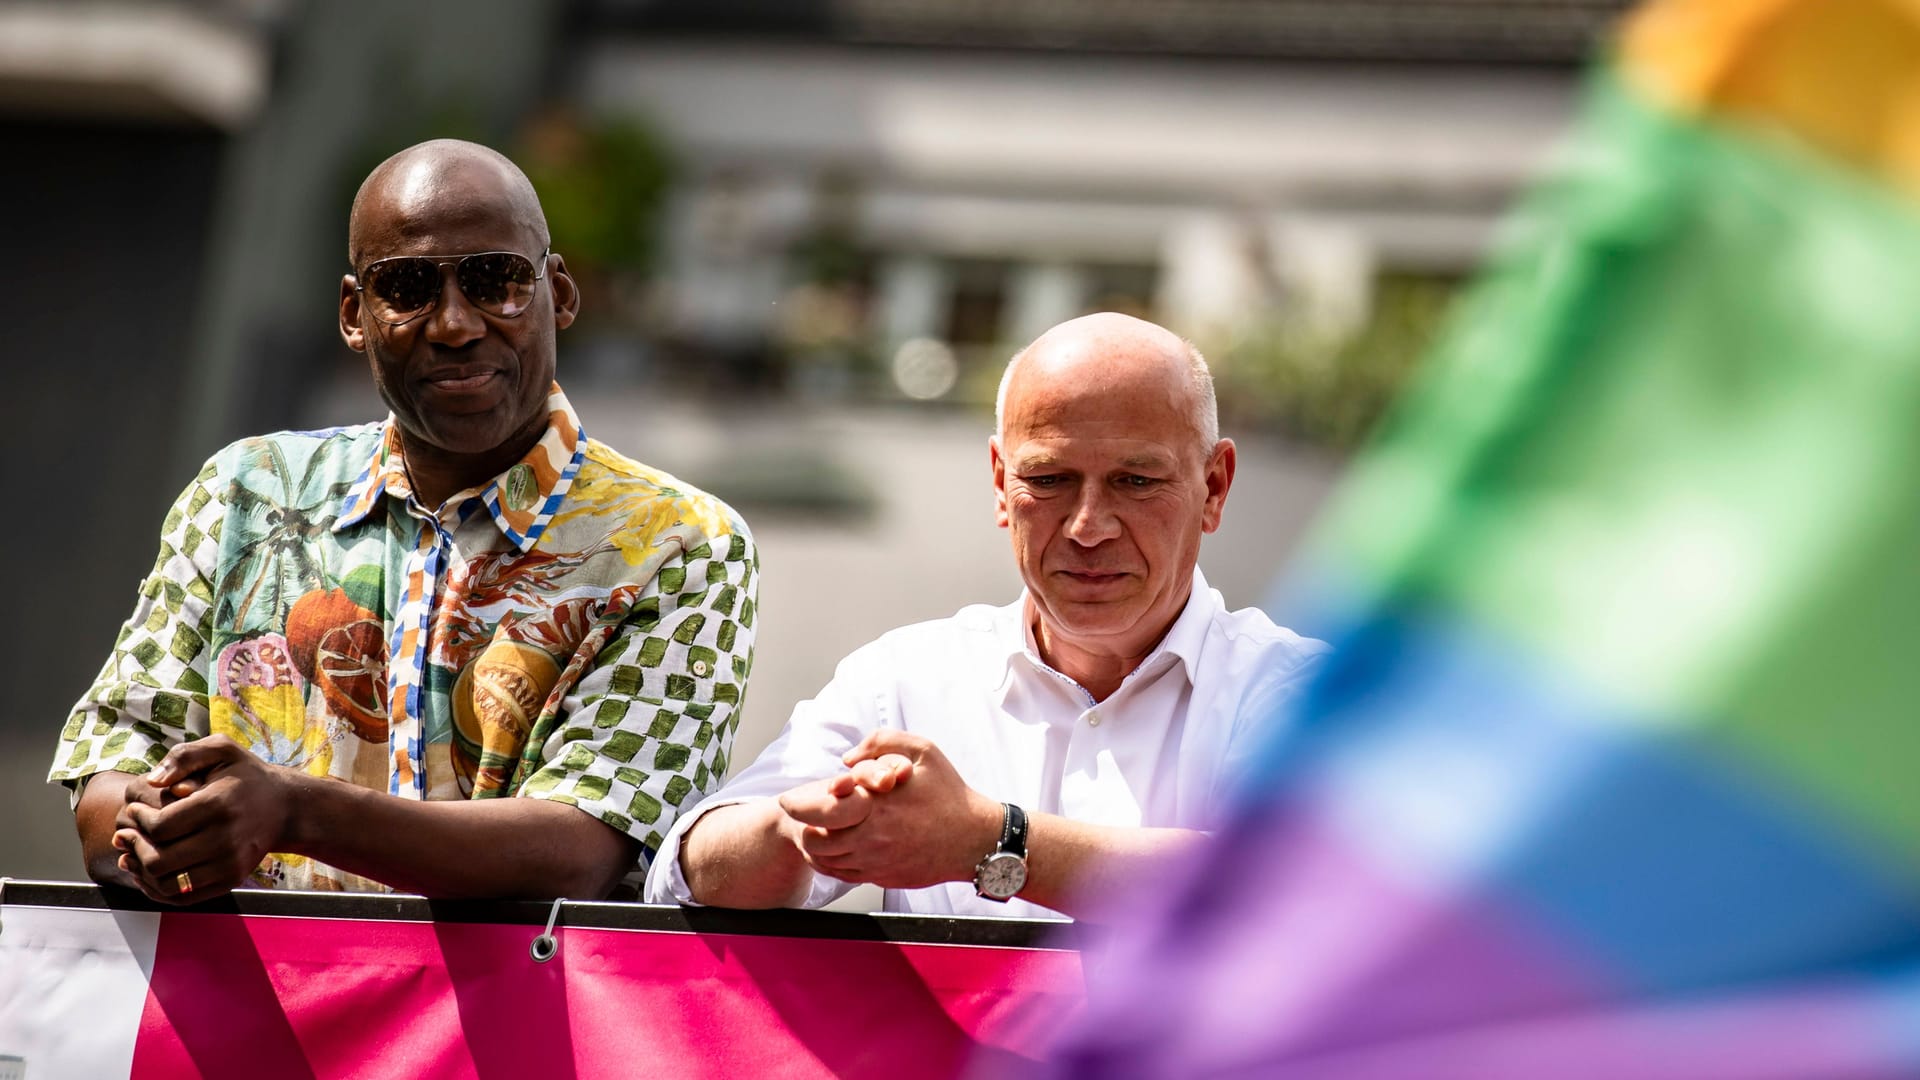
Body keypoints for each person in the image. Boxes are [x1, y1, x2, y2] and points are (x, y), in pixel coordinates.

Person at [49, 140, 757, 903]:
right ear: (355, 314)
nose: (455, 324)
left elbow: (584, 843)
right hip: (244, 1014)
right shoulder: (244, 495)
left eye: (496, 281)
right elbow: (111, 767)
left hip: (513, 1022)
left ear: (561, 293)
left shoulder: (677, 543)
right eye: (408, 287)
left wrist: (293, 811)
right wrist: (160, 835)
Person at [648, 312, 1326, 919]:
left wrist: (991, 841)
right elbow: (686, 874)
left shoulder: (1304, 694)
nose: (1089, 527)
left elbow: (1293, 899)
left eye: (1136, 481)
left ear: (1214, 486)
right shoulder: (905, 677)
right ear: (1001, 483)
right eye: (1050, 480)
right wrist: (804, 830)